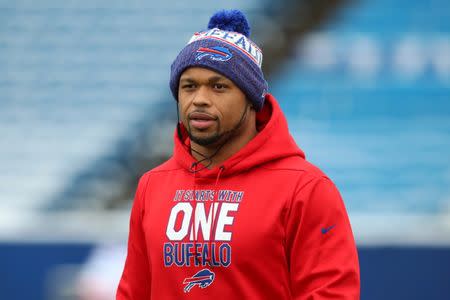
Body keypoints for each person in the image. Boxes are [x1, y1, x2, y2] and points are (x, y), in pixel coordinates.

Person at [117, 9, 360, 300]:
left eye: (219, 86)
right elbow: (133, 293)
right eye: (189, 86)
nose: (200, 99)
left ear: (251, 100)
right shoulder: (153, 186)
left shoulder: (305, 189)